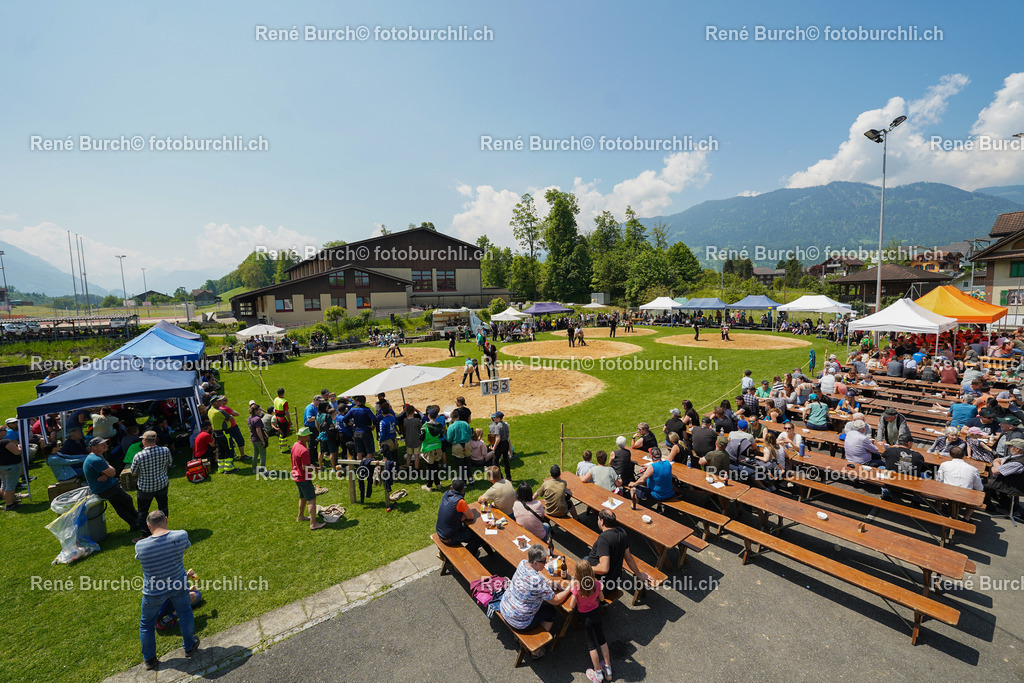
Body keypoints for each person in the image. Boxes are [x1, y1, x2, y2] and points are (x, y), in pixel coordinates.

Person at [136, 511, 200, 670]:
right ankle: (189, 647)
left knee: (146, 624)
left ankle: (150, 660)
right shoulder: (182, 535)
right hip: (178, 585)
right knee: (185, 613)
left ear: (149, 526)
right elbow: (182, 552)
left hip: (153, 592)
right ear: (166, 519)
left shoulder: (140, 545)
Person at [498, 544, 571, 636]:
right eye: (544, 561)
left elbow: (535, 574)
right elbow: (556, 600)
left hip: (505, 608)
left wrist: (548, 582)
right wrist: (569, 588)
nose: (545, 564)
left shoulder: (523, 563)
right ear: (536, 563)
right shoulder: (538, 582)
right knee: (551, 610)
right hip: (519, 622)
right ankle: (539, 644)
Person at [83, 437, 140, 532]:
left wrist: (106, 474)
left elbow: (108, 468)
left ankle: (135, 521)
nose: (105, 445)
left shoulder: (96, 456)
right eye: (102, 444)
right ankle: (136, 520)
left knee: (120, 504)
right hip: (106, 488)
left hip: (104, 486)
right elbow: (113, 472)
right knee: (126, 500)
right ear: (93, 447)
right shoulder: (95, 460)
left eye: (105, 443)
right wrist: (108, 473)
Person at [570, 559, 612, 683]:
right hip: (596, 614)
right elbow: (602, 598)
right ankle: (608, 670)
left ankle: (598, 672)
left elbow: (572, 606)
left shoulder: (577, 588)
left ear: (577, 574)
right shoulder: (597, 584)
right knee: (602, 640)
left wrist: (573, 589)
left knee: (591, 645)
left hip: (585, 617)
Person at [588, 510, 649, 591]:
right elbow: (628, 557)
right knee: (585, 559)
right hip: (615, 579)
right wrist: (639, 574)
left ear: (601, 521)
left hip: (603, 582)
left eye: (598, 519)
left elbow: (603, 569)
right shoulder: (621, 532)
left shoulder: (604, 539)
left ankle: (601, 602)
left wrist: (587, 569)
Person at [131, 431, 173, 536]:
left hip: (146, 488)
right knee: (163, 508)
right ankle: (163, 528)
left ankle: (145, 534)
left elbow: (133, 472)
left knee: (143, 511)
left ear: (144, 441)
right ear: (155, 440)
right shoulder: (165, 450)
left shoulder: (139, 456)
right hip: (162, 484)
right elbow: (170, 463)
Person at [291, 427, 326, 530]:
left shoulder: (295, 445)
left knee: (302, 497)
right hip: (303, 478)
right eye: (308, 435)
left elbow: (300, 462)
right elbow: (305, 467)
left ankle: (300, 516)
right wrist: (314, 469)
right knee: (311, 499)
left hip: (296, 476)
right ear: (305, 436)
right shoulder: (304, 450)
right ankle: (313, 524)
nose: (310, 437)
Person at [936, 446, 984, 519]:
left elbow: (939, 480)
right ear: (964, 455)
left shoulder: (944, 464)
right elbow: (979, 488)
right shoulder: (973, 469)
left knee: (938, 487)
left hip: (946, 494)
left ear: (950, 454)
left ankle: (939, 509)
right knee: (977, 495)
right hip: (964, 496)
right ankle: (966, 517)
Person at [435, 478, 481, 553]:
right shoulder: (460, 502)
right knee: (477, 538)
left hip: (440, 532)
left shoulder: (445, 494)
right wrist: (462, 517)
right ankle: (467, 557)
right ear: (463, 489)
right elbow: (470, 516)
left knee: (468, 531)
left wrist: (459, 517)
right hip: (450, 537)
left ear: (451, 487)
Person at [984, 438, 1024, 513]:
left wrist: (996, 465)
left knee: (983, 483)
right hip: (1007, 481)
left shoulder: (1018, 462)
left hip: (1013, 486)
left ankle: (989, 507)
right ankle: (1007, 505)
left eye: (1010, 446)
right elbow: (997, 459)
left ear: (1017, 449)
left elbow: (995, 470)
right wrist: (997, 464)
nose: (1008, 447)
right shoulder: (1015, 456)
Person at [514, 482, 552, 547]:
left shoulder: (516, 504)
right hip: (539, 536)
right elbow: (542, 516)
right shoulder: (538, 504)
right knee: (547, 525)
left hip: (524, 535)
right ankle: (548, 545)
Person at [420, 408, 445, 491]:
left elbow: (421, 438)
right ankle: (438, 483)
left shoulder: (425, 426)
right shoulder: (440, 425)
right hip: (437, 447)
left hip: (428, 448)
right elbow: (441, 436)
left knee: (429, 467)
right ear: (436, 416)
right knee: (436, 466)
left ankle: (429, 485)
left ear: (429, 416)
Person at [446, 409, 473, 483]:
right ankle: (470, 478)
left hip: (457, 446)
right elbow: (470, 433)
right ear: (458, 416)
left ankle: (463, 482)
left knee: (460, 465)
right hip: (467, 444)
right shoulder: (465, 423)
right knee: (467, 462)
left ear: (451, 418)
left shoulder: (451, 427)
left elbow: (448, 439)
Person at [0, 437, 23, 510]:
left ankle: (8, 501)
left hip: (2, 467)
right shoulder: (5, 442)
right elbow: (17, 452)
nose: (6, 431)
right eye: (4, 430)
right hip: (11, 466)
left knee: (4, 484)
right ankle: (10, 504)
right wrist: (19, 447)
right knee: (10, 486)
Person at [489, 411, 511, 480]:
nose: (494, 418)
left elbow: (498, 438)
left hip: (500, 444)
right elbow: (508, 436)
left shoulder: (498, 426)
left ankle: (499, 477)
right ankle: (508, 477)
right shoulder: (505, 424)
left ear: (498, 418)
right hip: (505, 443)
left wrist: (494, 447)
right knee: (505, 461)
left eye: (495, 417)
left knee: (495, 462)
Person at [248, 402, 270, 473]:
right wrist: (263, 440)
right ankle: (263, 471)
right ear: (256, 411)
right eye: (259, 409)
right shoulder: (257, 419)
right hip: (258, 439)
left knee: (255, 453)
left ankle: (254, 469)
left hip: (253, 439)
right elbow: (258, 430)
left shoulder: (250, 418)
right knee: (262, 455)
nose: (260, 410)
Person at [273, 387, 291, 453]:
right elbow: (286, 412)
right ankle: (284, 448)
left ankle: (282, 445)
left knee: (281, 432)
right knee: (285, 433)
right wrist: (289, 420)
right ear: (283, 393)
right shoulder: (284, 401)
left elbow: (275, 409)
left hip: (277, 418)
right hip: (283, 419)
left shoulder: (276, 399)